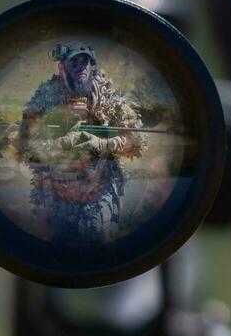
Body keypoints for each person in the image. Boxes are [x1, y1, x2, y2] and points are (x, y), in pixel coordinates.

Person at [17, 42, 146, 240]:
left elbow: (136, 140)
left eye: (85, 62)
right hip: (56, 193)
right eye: (74, 62)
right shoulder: (46, 96)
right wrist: (61, 144)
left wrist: (103, 144)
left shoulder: (107, 97)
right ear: (62, 67)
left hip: (99, 191)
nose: (81, 68)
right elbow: (25, 145)